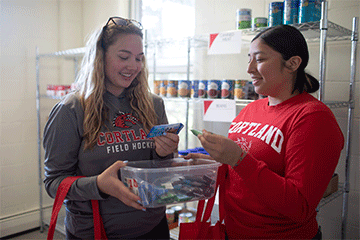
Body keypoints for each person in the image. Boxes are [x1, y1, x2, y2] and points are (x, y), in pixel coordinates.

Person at [184, 25, 344, 239]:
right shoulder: (251, 109)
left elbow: (300, 207)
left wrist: (238, 159)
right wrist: (214, 164)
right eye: (249, 59)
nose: (249, 69)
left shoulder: (313, 117)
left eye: (259, 59)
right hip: (233, 231)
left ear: (293, 63)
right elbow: (243, 172)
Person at [43, 16, 179, 239]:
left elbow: (161, 171)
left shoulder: (154, 104)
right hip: (96, 231)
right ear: (100, 57)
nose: (133, 66)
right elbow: (54, 183)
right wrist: (98, 185)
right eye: (124, 57)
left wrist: (164, 154)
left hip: (152, 226)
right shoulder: (71, 110)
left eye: (139, 58)